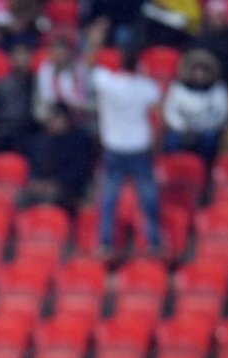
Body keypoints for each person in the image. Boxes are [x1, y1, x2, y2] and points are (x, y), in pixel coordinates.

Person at [86, 20, 162, 258]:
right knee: (145, 198)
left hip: (122, 148)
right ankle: (152, 243)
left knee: (112, 198)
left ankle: (109, 244)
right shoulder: (146, 86)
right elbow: (161, 118)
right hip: (134, 148)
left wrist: (95, 42)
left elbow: (89, 67)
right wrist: (157, 144)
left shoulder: (109, 82)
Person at [162, 47, 228, 162]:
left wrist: (200, 129)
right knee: (171, 140)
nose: (200, 74)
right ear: (190, 70)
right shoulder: (177, 88)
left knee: (211, 140)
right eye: (197, 70)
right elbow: (171, 112)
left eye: (204, 70)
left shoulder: (218, 89)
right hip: (182, 129)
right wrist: (183, 128)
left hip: (206, 130)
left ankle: (206, 171)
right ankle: (175, 167)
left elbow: (222, 114)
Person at [22, 103, 94, 210]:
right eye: (51, 120)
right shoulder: (43, 139)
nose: (52, 123)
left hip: (69, 188)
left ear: (67, 120)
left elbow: (80, 171)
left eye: (56, 119)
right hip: (45, 186)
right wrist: (38, 182)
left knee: (50, 200)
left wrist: (57, 184)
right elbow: (37, 164)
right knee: (23, 199)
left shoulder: (80, 140)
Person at [0, 42, 37, 153]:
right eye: (17, 55)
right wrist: (2, 121)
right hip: (5, 128)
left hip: (28, 129)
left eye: (24, 54)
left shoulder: (36, 81)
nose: (21, 58)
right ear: (11, 59)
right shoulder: (3, 83)